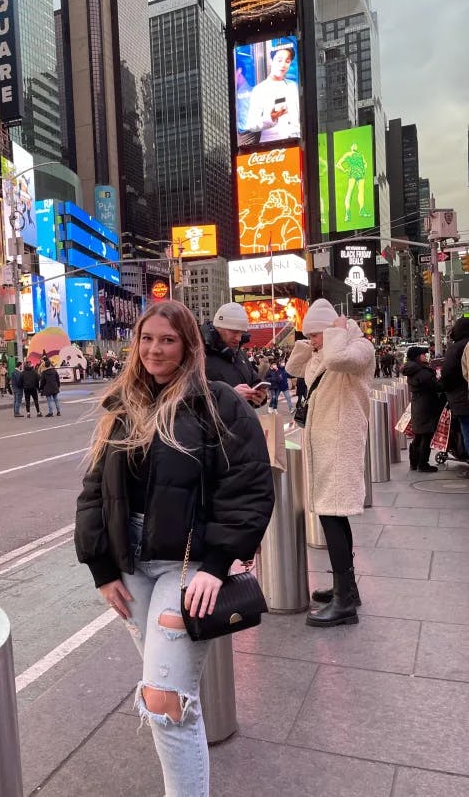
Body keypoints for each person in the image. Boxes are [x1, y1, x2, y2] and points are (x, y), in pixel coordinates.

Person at [75, 301, 274, 797]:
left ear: (187, 345)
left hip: (187, 566)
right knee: (175, 690)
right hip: (131, 565)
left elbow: (248, 487)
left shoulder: (218, 402)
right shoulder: (123, 407)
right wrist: (101, 567)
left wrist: (217, 563)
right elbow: (95, 490)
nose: (154, 349)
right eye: (146, 339)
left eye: (167, 339)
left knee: (164, 699)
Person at [286, 299, 375, 627]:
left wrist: (334, 334)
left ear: (332, 329)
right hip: (323, 441)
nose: (313, 341)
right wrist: (306, 342)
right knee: (331, 514)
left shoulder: (360, 348)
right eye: (309, 334)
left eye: (316, 334)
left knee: (331, 514)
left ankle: (344, 603)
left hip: (341, 441)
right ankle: (346, 589)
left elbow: (339, 359)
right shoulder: (322, 351)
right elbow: (294, 370)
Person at [199, 303, 268, 408]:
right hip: (217, 424)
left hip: (244, 422)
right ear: (219, 327)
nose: (239, 338)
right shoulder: (197, 355)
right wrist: (230, 397)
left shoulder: (239, 354)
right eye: (234, 332)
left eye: (241, 333)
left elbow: (254, 381)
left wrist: (259, 397)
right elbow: (191, 400)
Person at [244, 44, 300, 144]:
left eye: (287, 61)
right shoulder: (259, 89)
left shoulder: (293, 86)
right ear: (271, 61)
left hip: (296, 141)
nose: (283, 65)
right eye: (279, 60)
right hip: (271, 145)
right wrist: (271, 118)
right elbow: (250, 124)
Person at [402, 347, 444, 473]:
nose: (425, 356)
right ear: (417, 356)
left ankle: (414, 463)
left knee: (419, 435)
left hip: (418, 405)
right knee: (426, 435)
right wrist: (443, 380)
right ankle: (423, 464)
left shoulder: (413, 370)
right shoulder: (422, 372)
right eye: (423, 355)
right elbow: (436, 386)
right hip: (426, 406)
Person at [440, 317, 469, 468]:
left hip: (460, 398)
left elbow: (447, 374)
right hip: (462, 396)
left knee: (466, 429)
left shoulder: (456, 348)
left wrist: (445, 388)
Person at [336, 143, 370, 222]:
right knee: (350, 192)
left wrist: (363, 169)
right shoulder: (348, 154)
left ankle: (362, 210)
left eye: (356, 145)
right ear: (351, 147)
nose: (355, 146)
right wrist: (344, 170)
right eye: (353, 145)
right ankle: (347, 213)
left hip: (360, 174)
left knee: (361, 192)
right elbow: (338, 164)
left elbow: (365, 163)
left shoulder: (360, 155)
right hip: (353, 175)